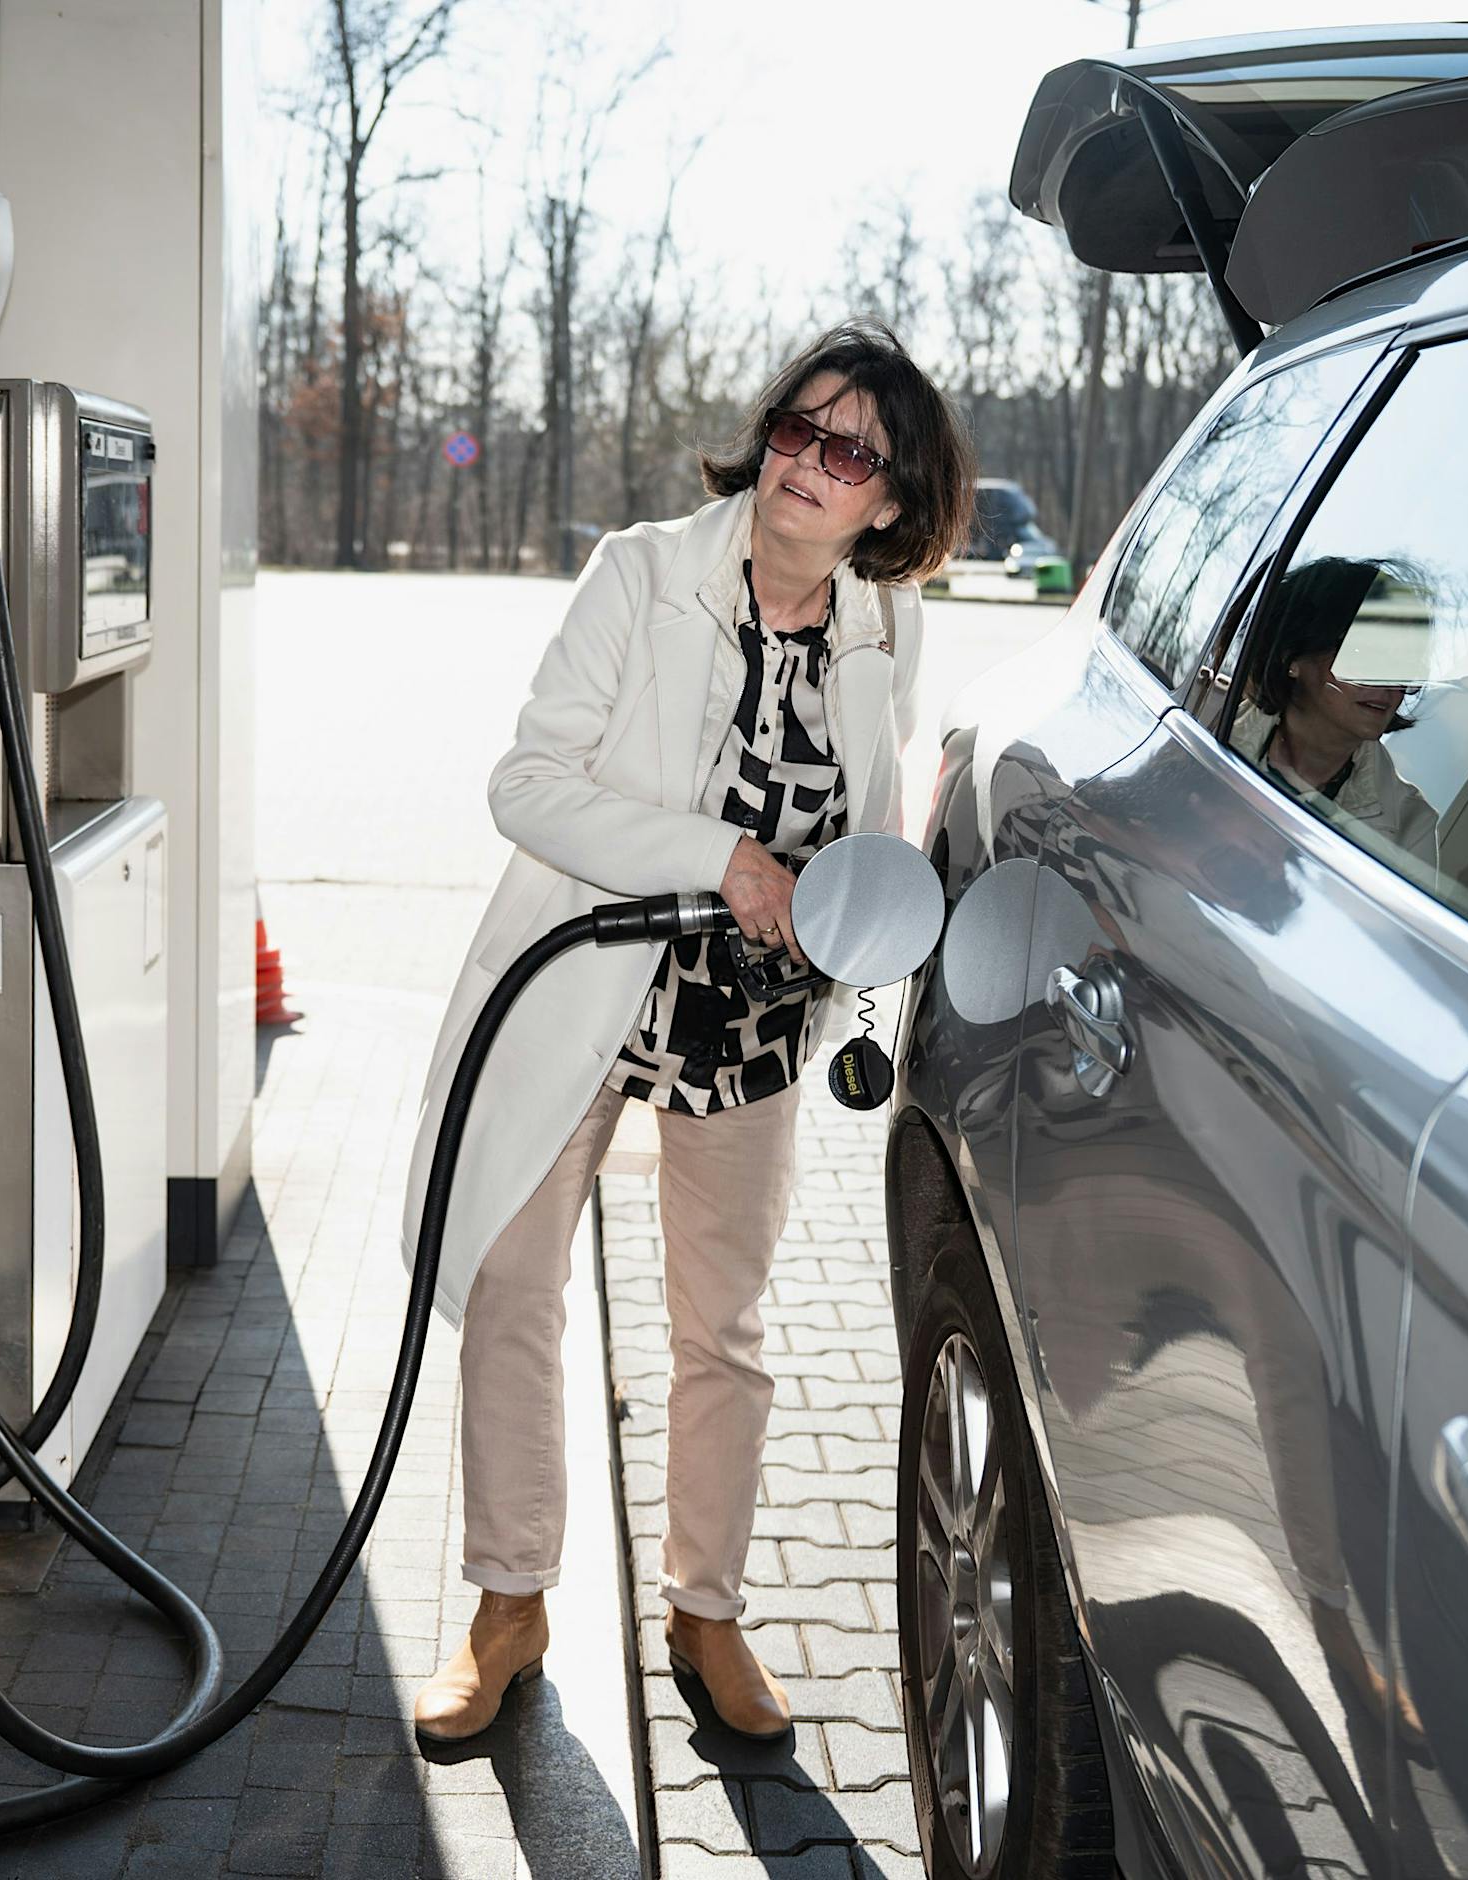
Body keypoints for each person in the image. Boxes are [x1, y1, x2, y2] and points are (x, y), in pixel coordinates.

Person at [400, 321, 973, 1743]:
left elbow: (876, 812)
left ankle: (706, 1611)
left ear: (888, 506)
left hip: (753, 1025)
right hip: (583, 993)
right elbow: (527, 784)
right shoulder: (645, 573)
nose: (808, 465)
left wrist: (888, 891)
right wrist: (721, 858)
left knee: (723, 1328)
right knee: (514, 1292)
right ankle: (508, 1605)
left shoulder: (889, 628)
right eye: (798, 428)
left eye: (850, 454)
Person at [1232, 556, 1438, 874]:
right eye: (1366, 654)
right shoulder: (1205, 727)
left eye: (1404, 662)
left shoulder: (1412, 826)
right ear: (1292, 656)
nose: (1390, 681)